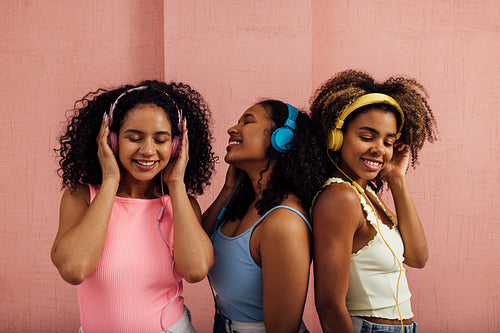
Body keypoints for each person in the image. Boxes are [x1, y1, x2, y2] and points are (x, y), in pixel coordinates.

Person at [51, 80, 217, 333]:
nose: (148, 150)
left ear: (175, 146)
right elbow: (74, 270)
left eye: (160, 140)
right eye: (135, 138)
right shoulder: (81, 197)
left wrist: (176, 183)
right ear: (112, 140)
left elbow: (195, 271)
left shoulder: (181, 202)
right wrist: (110, 180)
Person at [310, 69, 437, 333]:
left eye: (388, 142)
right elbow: (329, 304)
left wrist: (397, 180)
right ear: (336, 136)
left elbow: (417, 257)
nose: (379, 148)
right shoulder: (340, 197)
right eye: (367, 137)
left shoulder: (366, 195)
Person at [202, 100, 327, 333]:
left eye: (247, 122)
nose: (232, 129)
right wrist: (228, 190)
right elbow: (196, 244)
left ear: (282, 139)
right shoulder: (244, 202)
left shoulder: (284, 223)